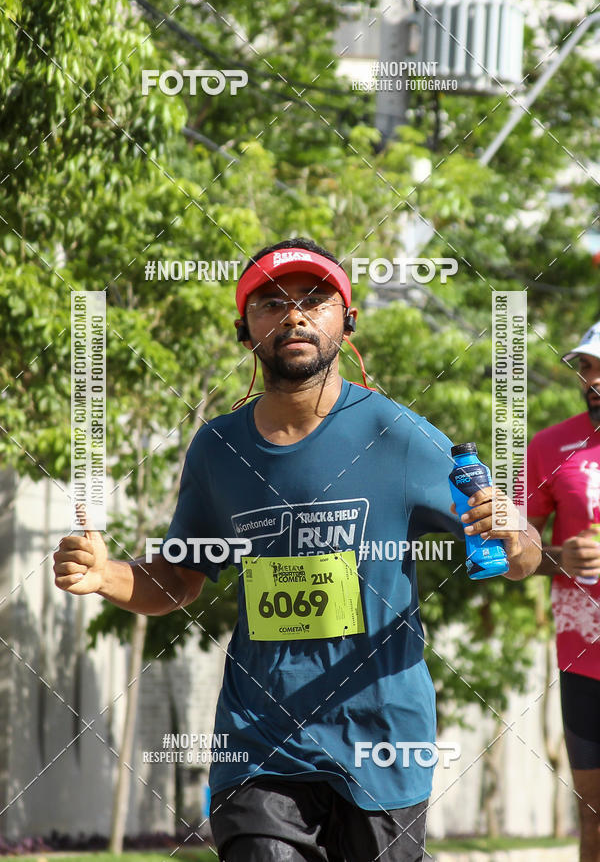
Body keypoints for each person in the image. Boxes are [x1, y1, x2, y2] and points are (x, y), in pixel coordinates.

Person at [54, 238, 541, 861]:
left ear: (348, 317)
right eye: (270, 303)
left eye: (315, 299)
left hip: (382, 736)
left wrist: (511, 531)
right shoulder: (217, 449)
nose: (293, 315)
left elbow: (519, 555)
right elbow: (179, 580)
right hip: (260, 739)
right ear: (244, 327)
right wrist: (106, 576)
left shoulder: (397, 435)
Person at [527, 321, 600, 862]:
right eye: (586, 366)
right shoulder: (551, 445)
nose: (592, 378)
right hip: (585, 661)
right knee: (594, 821)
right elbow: (513, 555)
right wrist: (559, 557)